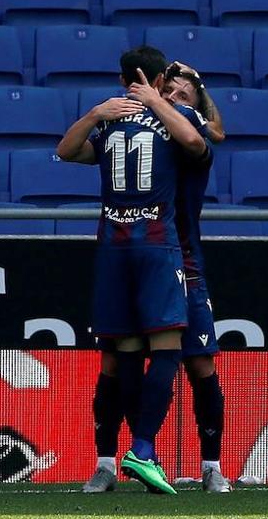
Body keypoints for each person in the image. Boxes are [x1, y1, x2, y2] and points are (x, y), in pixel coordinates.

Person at [57, 46, 209, 496]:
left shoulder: (111, 118)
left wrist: (95, 113)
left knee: (122, 354)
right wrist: (158, 101)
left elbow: (65, 151)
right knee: (166, 347)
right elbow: (198, 143)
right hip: (156, 245)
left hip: (111, 248)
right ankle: (143, 450)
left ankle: (132, 455)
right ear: (160, 78)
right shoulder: (172, 115)